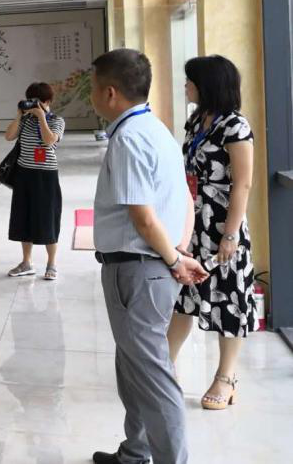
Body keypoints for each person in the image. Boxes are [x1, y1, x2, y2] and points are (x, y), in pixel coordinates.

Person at [88, 49, 208, 464]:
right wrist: (179, 251)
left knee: (153, 377)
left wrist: (174, 260)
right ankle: (135, 452)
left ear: (110, 92)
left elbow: (142, 217)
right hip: (153, 264)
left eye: (92, 88)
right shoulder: (156, 129)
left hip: (137, 269)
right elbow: (185, 199)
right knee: (134, 368)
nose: (91, 96)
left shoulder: (129, 139)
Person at [168, 55, 257, 411]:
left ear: (207, 85)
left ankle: (226, 377)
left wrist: (231, 235)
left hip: (222, 226)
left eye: (190, 81)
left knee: (228, 298)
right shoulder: (197, 121)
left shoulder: (236, 126)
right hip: (193, 223)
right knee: (183, 296)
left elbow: (243, 184)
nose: (185, 86)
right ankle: (164, 366)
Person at [3, 83, 66, 280]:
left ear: (47, 101)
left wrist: (41, 117)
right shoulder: (25, 120)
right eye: (30, 99)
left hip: (46, 176)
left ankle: (51, 264)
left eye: (37, 100)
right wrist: (19, 115)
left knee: (48, 219)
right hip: (24, 174)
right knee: (24, 218)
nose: (33, 104)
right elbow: (9, 136)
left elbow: (49, 140)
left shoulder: (57, 120)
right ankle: (26, 262)